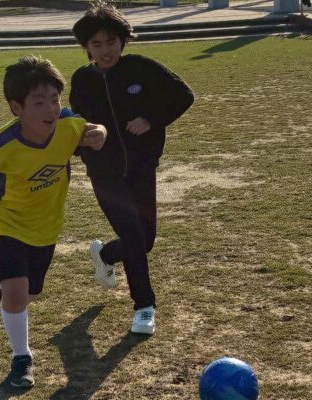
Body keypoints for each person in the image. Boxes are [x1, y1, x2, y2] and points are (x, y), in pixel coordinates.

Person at [0, 56, 107, 388]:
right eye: (39, 102)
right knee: (17, 294)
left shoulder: (68, 125)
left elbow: (92, 129)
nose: (51, 109)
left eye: (55, 99)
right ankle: (22, 358)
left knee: (28, 293)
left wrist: (100, 134)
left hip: (46, 226)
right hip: (4, 222)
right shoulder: (3, 144)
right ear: (16, 108)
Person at [70, 1, 195, 336]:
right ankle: (144, 307)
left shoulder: (141, 67)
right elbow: (76, 123)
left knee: (146, 239)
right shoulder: (82, 79)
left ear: (123, 40)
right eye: (97, 44)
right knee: (135, 237)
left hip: (141, 168)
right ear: (86, 47)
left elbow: (183, 95)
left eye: (111, 42)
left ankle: (105, 254)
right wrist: (85, 142)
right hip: (105, 174)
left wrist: (151, 119)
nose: (105, 50)